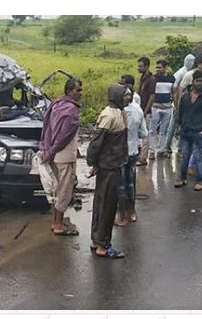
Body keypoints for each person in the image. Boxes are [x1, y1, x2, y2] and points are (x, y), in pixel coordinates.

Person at [86, 83, 130, 258]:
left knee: (101, 202)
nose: (128, 97)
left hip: (111, 164)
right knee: (107, 205)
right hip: (109, 166)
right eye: (125, 95)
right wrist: (93, 162)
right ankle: (103, 245)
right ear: (117, 96)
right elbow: (96, 143)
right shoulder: (109, 115)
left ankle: (96, 240)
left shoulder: (119, 113)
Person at [39, 78, 83, 236]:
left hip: (54, 154)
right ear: (69, 91)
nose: (80, 93)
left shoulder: (56, 105)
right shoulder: (71, 111)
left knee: (56, 190)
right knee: (64, 191)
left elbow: (47, 128)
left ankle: (55, 222)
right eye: (78, 90)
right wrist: (51, 151)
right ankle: (58, 225)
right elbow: (63, 138)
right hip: (64, 155)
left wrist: (47, 149)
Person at [115, 75, 148, 226]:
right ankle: (132, 212)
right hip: (133, 150)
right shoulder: (138, 110)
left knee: (120, 184)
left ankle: (122, 216)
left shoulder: (116, 112)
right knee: (130, 183)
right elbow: (143, 133)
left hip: (119, 152)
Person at [174, 70, 202, 191]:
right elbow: (180, 113)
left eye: (201, 81)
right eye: (197, 81)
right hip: (185, 131)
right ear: (193, 82)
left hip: (198, 132)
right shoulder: (185, 97)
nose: (199, 83)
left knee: (198, 157)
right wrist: (178, 127)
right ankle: (182, 178)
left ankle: (199, 180)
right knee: (185, 156)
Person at [165, 54, 195, 154]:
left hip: (183, 102)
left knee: (182, 125)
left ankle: (180, 146)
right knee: (173, 125)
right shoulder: (182, 72)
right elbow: (175, 88)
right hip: (178, 102)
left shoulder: (187, 72)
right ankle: (167, 146)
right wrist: (176, 104)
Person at [148, 60, 175, 159]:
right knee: (152, 130)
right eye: (157, 67)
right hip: (155, 107)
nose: (157, 69)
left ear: (165, 68)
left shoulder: (171, 78)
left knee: (164, 130)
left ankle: (161, 150)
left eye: (159, 67)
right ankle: (151, 151)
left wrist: (174, 104)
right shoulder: (153, 78)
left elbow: (174, 92)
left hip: (167, 107)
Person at [136, 57, 156, 166]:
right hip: (141, 109)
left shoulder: (151, 79)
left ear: (147, 66)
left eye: (140, 66)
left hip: (146, 111)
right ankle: (141, 155)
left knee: (145, 134)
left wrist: (145, 111)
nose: (138, 68)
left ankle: (143, 158)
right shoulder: (143, 78)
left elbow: (152, 96)